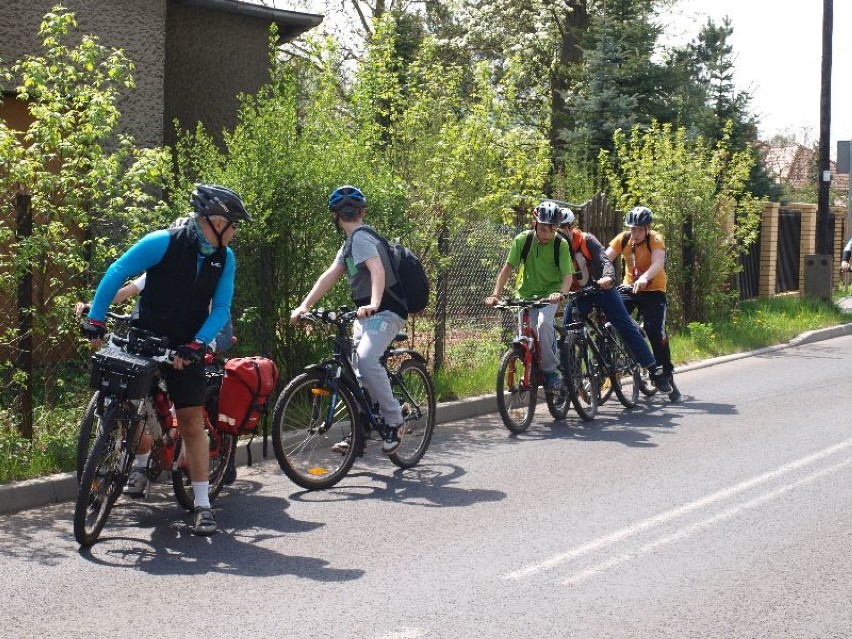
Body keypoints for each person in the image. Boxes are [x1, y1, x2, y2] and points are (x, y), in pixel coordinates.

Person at [80, 184, 250, 535]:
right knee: (122, 402)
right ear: (215, 221)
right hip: (144, 336)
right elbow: (117, 272)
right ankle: (131, 465)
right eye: (233, 225)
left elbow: (221, 309)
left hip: (185, 346)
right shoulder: (164, 241)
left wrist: (197, 344)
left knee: (190, 421)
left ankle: (202, 504)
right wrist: (96, 317)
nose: (234, 232)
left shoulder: (225, 258)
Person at [290, 185, 408, 454]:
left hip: (385, 311)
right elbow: (330, 275)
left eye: (351, 209)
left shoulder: (361, 238)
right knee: (356, 373)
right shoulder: (348, 245)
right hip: (366, 313)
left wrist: (375, 303)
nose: (349, 213)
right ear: (337, 214)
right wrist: (305, 305)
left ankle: (394, 419)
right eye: (346, 210)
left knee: (366, 360)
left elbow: (377, 271)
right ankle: (362, 432)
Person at [557, 208, 671, 393]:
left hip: (603, 290)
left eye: (563, 227)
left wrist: (608, 277)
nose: (560, 232)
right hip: (581, 293)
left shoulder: (587, 240)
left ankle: (654, 370)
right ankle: (568, 381)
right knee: (567, 332)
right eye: (557, 228)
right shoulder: (554, 247)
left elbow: (604, 260)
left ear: (571, 227)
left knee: (624, 324)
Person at [484, 200, 574, 391]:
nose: (547, 234)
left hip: (551, 294)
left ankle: (550, 372)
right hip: (526, 293)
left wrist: (562, 293)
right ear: (535, 224)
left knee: (544, 325)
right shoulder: (523, 240)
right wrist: (495, 294)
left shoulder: (561, 244)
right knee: (525, 332)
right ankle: (530, 367)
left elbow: (567, 275)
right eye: (543, 229)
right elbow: (507, 268)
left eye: (551, 229)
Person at [605, 205, 681, 402]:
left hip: (653, 289)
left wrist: (645, 278)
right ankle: (614, 361)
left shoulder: (655, 240)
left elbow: (658, 263)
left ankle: (667, 376)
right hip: (630, 288)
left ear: (648, 228)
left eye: (639, 229)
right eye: (632, 229)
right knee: (610, 317)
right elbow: (605, 258)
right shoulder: (623, 239)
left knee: (655, 330)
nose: (635, 233)